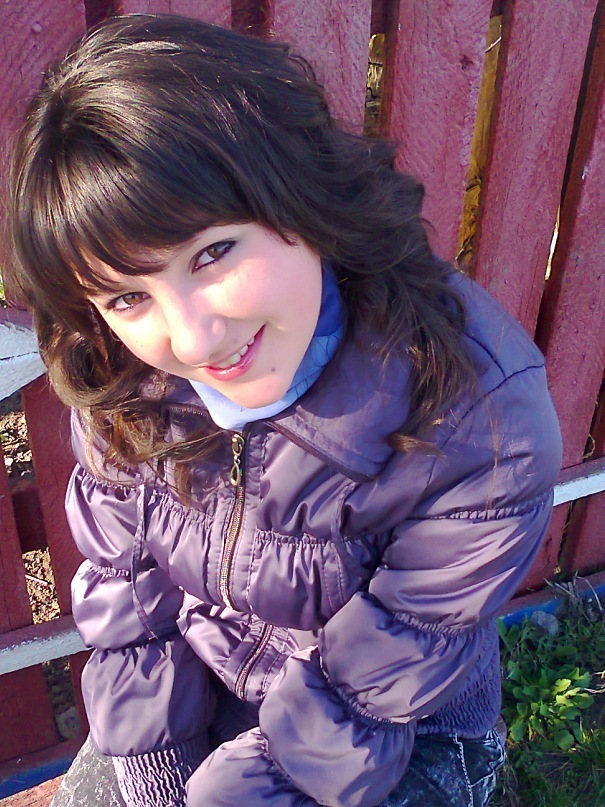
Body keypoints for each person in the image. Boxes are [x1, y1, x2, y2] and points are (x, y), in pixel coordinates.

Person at [6, 13, 562, 807]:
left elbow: (386, 667)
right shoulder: (122, 375)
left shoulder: (475, 409)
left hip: (398, 724)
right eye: (129, 296)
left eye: (211, 254)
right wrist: (160, 777)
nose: (192, 338)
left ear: (296, 195)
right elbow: (127, 597)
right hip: (211, 679)